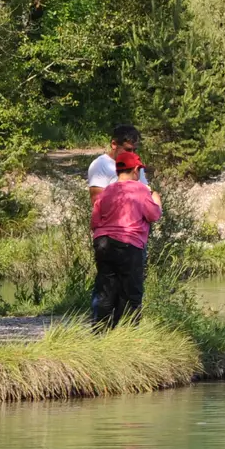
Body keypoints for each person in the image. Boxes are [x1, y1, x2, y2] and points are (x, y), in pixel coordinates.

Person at [90, 149, 161, 330]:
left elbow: (94, 222)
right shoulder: (141, 190)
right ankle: (128, 335)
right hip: (129, 245)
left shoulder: (106, 192)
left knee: (105, 289)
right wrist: (156, 199)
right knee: (131, 292)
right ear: (136, 169)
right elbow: (153, 215)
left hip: (103, 244)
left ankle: (100, 332)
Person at [88, 125, 147, 208]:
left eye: (135, 150)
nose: (132, 154)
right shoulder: (100, 165)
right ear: (114, 144)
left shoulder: (136, 164)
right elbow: (97, 203)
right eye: (128, 150)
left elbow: (146, 192)